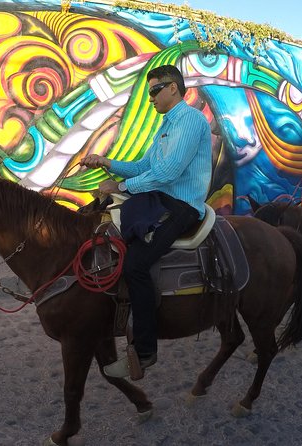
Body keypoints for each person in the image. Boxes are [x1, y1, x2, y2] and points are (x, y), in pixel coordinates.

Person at [80, 64, 212, 379]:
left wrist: (120, 187)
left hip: (181, 205)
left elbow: (168, 172)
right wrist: (106, 162)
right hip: (159, 200)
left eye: (154, 90)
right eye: (148, 91)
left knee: (135, 264)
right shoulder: (166, 125)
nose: (150, 97)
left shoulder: (191, 120)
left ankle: (144, 351)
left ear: (173, 89)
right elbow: (144, 165)